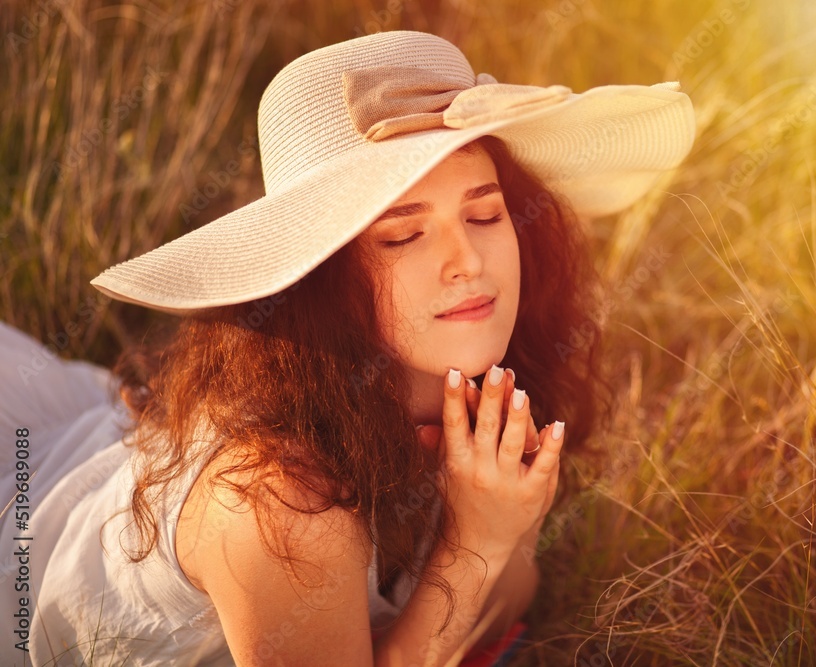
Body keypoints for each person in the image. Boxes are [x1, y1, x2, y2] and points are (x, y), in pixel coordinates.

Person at [1, 30, 694, 666]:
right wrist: (476, 545)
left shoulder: (459, 403)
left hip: (94, 437)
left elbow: (512, 600)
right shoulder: (281, 503)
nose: (467, 260)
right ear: (322, 281)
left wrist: (494, 527)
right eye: (403, 234)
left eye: (484, 213)